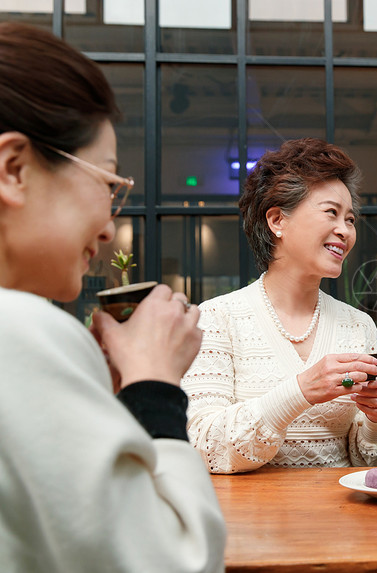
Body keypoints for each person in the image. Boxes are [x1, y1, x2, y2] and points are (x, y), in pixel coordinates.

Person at [0, 23, 225, 572]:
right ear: (14, 169)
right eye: (107, 184)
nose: (108, 228)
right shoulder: (22, 330)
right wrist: (155, 388)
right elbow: (174, 563)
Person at [181, 138, 377, 473]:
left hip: (342, 521)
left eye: (351, 219)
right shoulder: (216, 319)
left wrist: (376, 421)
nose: (344, 231)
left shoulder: (358, 326)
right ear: (277, 221)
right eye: (331, 212)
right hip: (252, 522)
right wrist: (300, 391)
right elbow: (204, 446)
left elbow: (373, 463)